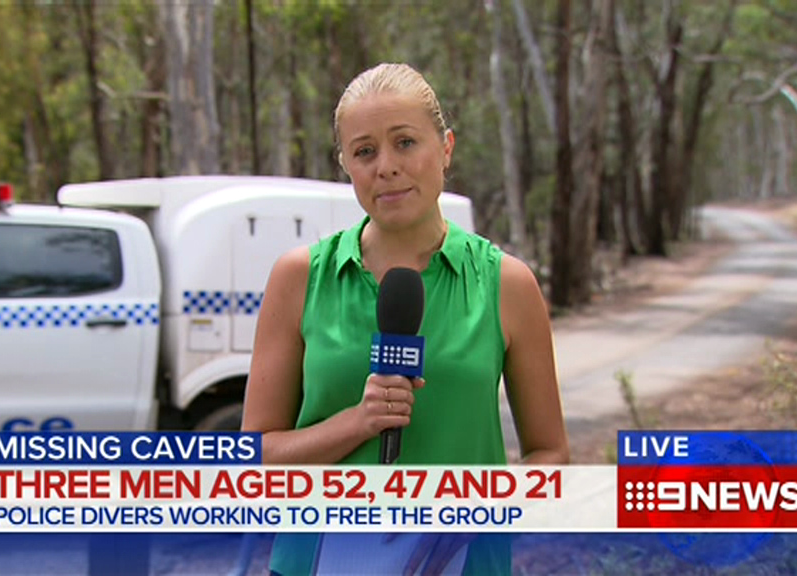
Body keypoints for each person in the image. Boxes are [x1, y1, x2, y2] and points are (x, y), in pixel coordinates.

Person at [241, 62, 569, 576]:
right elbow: (255, 458)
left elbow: (549, 454)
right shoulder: (300, 278)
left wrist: (484, 512)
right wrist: (357, 422)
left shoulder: (505, 283)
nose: (386, 167)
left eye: (405, 142)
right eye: (365, 151)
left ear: (446, 148)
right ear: (346, 165)